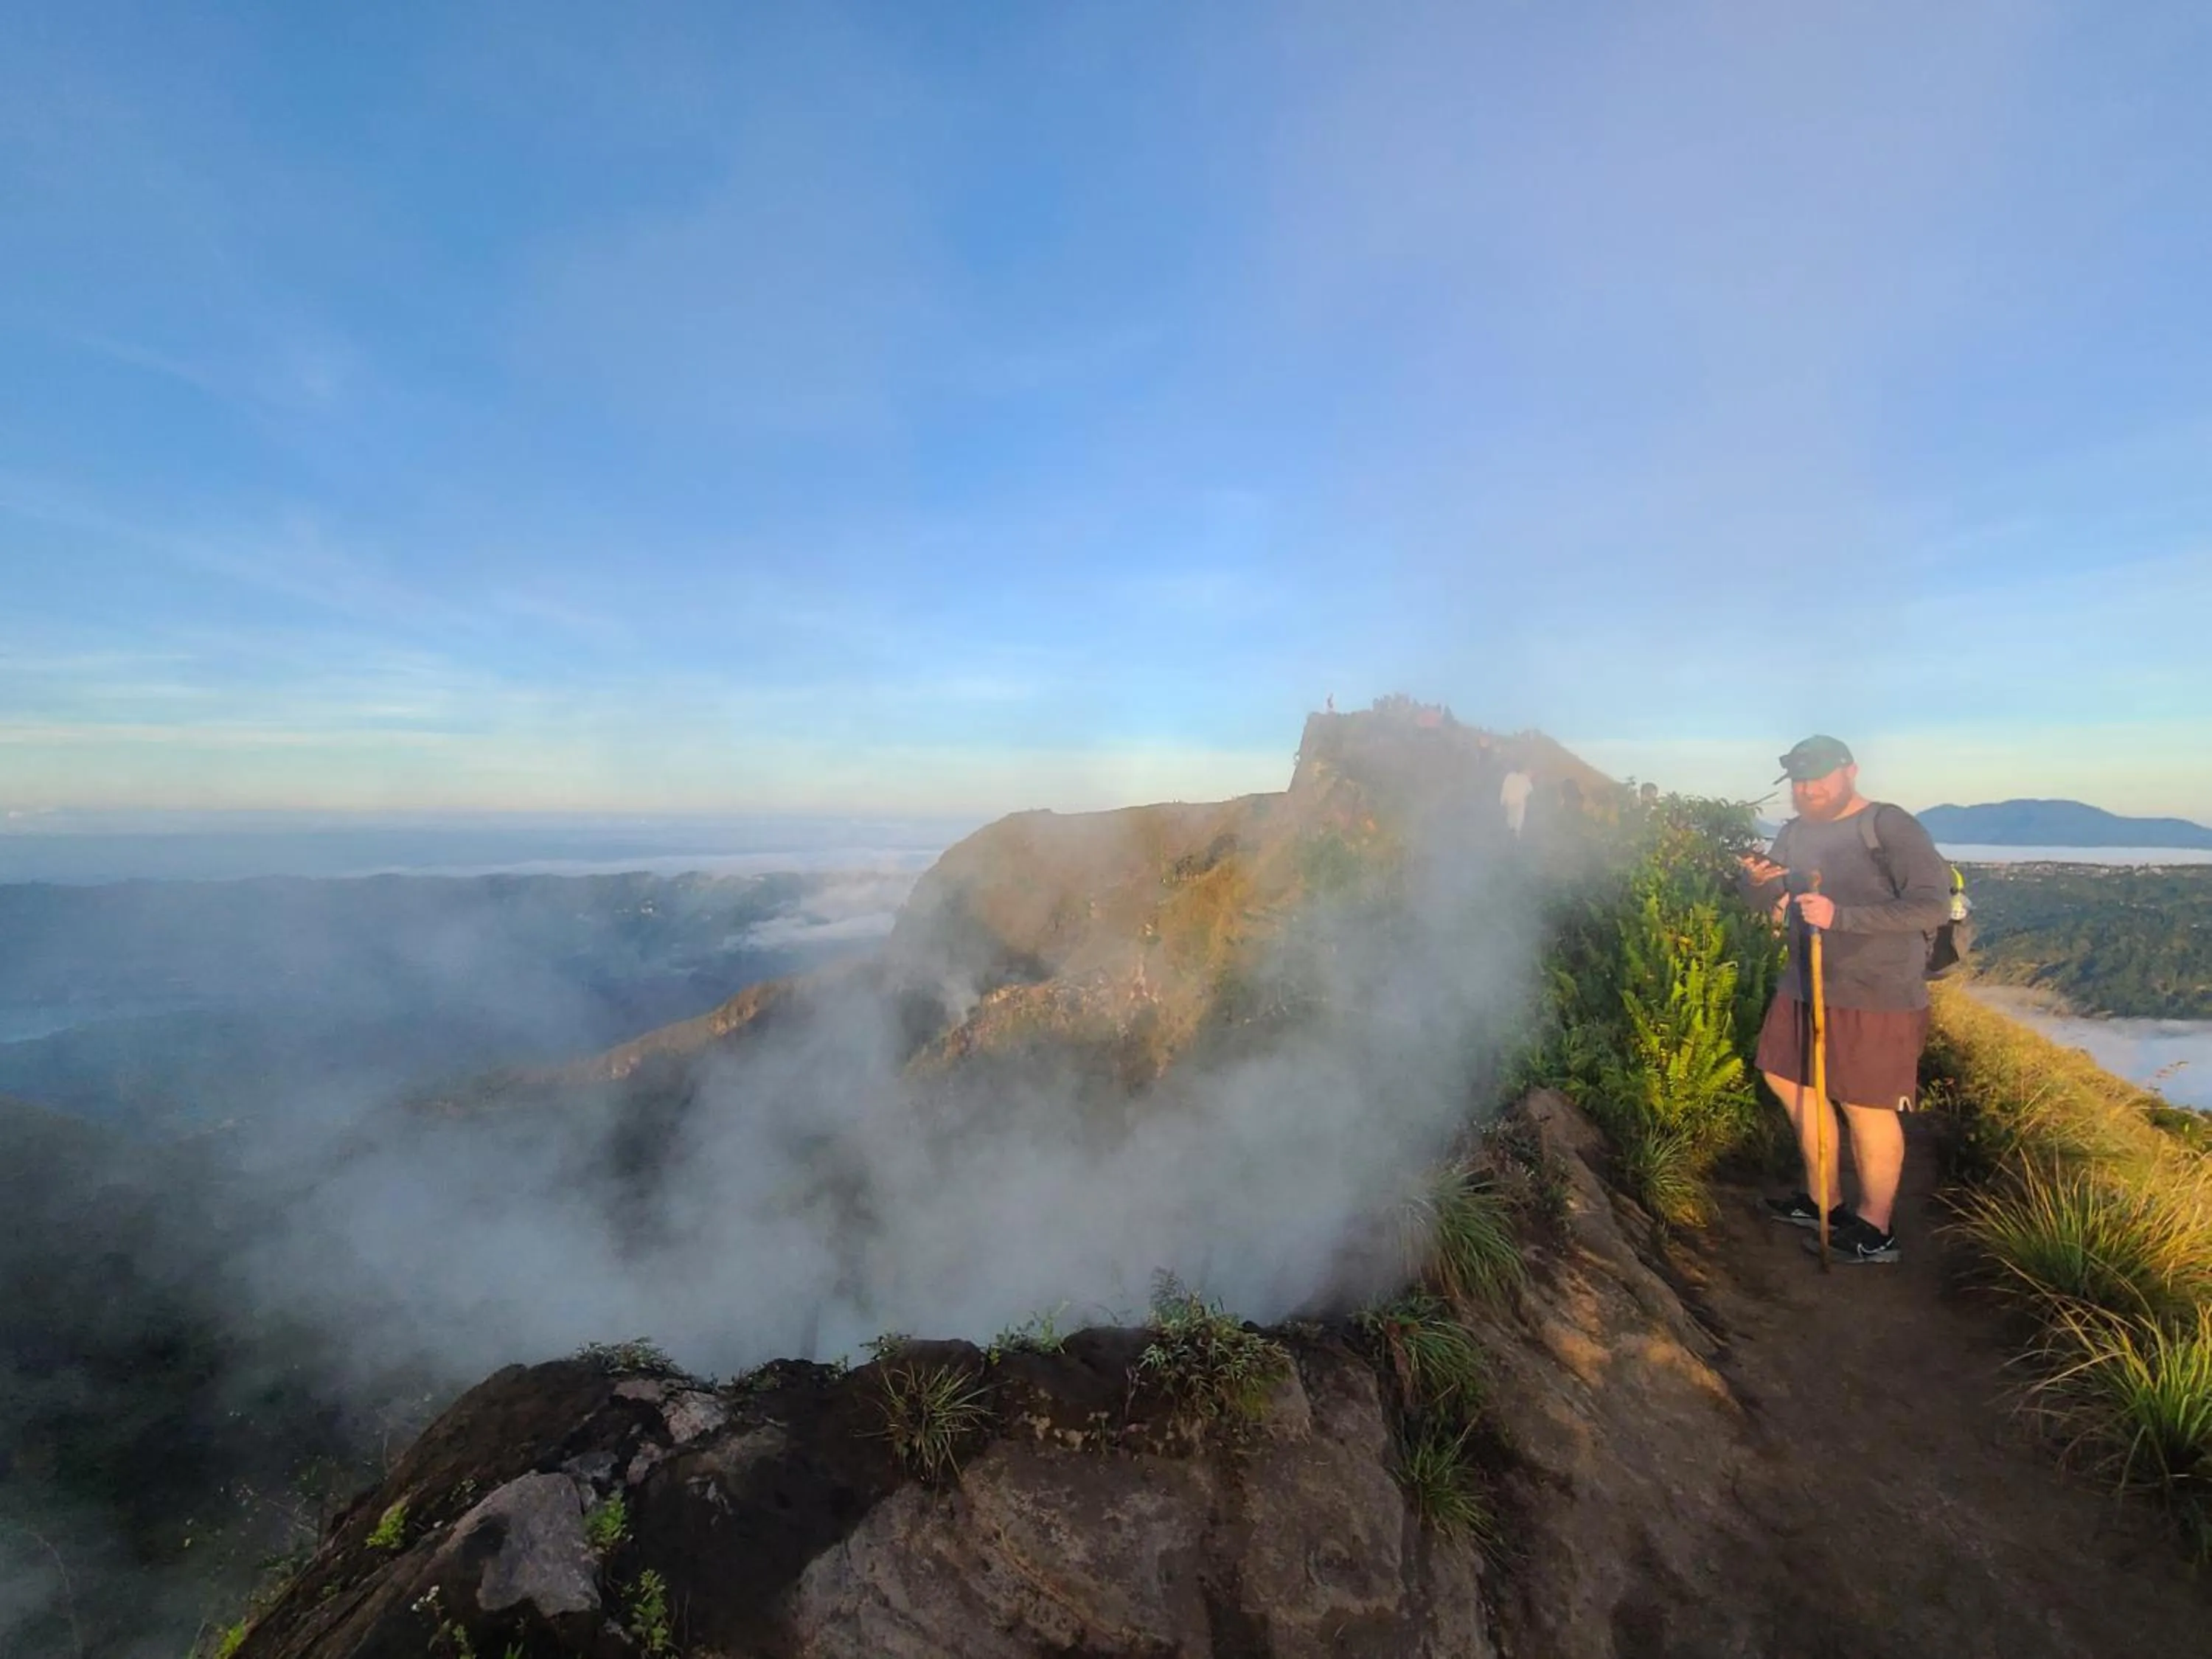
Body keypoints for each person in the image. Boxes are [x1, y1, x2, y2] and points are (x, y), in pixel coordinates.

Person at [1738, 736, 1952, 1264]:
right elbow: (1774, 897)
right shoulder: (1793, 832)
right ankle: (1823, 1202)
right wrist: (1761, 885)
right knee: (1790, 1081)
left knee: (1866, 1105)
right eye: (1800, 780)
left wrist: (1842, 918)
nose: (1809, 788)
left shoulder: (1888, 826)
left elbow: (1932, 906)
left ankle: (1875, 1231)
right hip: (1805, 983)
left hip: (1877, 992)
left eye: (1820, 777)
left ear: (1850, 772)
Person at [1499, 765, 1534, 837]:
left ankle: (1511, 835)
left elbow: (1504, 790)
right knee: (1517, 823)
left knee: (1511, 821)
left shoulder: (1510, 776)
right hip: (1517, 804)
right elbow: (1529, 793)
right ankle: (1515, 836)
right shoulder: (1525, 779)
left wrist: (1503, 801)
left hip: (1510, 803)